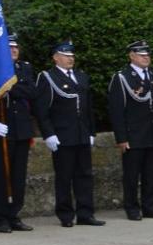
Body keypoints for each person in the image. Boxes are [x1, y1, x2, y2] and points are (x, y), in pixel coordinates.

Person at [36, 41, 103, 227]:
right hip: (62, 136)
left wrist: (91, 131)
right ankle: (65, 215)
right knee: (64, 177)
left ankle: (85, 213)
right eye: (65, 55)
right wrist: (48, 134)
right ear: (55, 57)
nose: (70, 58)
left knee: (85, 175)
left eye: (72, 55)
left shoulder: (81, 77)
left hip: (81, 134)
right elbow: (42, 109)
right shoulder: (48, 77)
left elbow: (88, 107)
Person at [0, 36, 38, 233]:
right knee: (1, 176)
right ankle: (0, 218)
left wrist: (10, 88)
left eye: (16, 47)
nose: (14, 50)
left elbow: (31, 91)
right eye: (10, 47)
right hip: (0, 129)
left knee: (18, 176)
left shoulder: (25, 68)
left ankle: (14, 214)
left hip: (21, 129)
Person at [109, 40, 153, 221]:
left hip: (151, 134)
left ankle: (150, 207)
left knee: (152, 174)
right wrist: (121, 137)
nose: (146, 58)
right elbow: (116, 110)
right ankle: (132, 208)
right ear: (132, 56)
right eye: (142, 55)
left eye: (147, 55)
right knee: (132, 175)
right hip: (133, 134)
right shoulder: (122, 77)